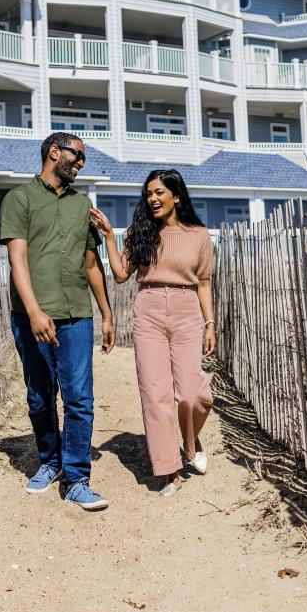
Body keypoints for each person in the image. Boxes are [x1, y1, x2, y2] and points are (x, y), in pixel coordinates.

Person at [0, 132, 115, 511]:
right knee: (39, 396)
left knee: (80, 399)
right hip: (32, 316)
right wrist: (33, 311)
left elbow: (91, 263)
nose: (81, 164)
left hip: (76, 316)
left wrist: (107, 313)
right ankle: (50, 462)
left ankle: (78, 478)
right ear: (54, 152)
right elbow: (18, 260)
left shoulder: (83, 206)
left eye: (83, 159)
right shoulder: (19, 199)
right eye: (77, 155)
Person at [89, 169, 214, 497]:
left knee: (194, 395)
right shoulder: (141, 232)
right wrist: (109, 238)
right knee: (156, 395)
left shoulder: (199, 235)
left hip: (187, 311)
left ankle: (190, 440)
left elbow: (203, 282)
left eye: (159, 192)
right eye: (149, 194)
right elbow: (119, 274)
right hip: (149, 310)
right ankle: (170, 470)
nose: (153, 199)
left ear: (176, 195)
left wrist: (210, 322)